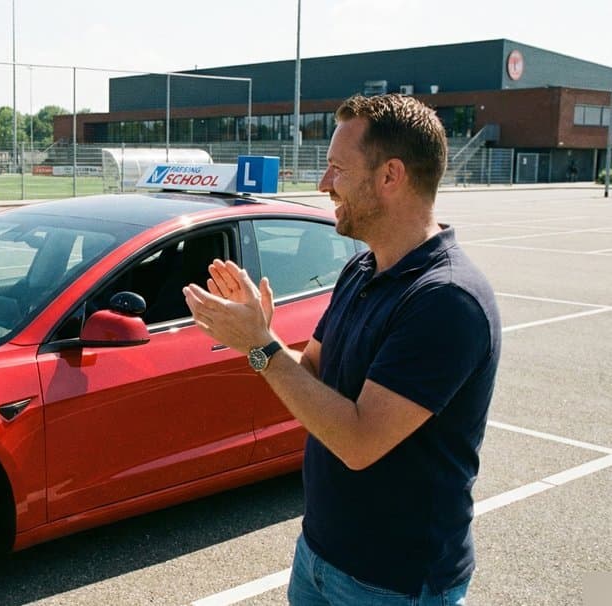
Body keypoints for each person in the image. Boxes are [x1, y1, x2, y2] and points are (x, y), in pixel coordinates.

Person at [183, 94, 501, 605]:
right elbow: (310, 372)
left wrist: (260, 346)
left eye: (336, 168)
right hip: (320, 554)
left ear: (390, 176)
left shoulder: (446, 301)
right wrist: (258, 335)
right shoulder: (362, 269)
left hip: (396, 584)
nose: (323, 184)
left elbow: (358, 441)